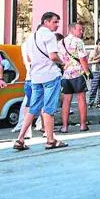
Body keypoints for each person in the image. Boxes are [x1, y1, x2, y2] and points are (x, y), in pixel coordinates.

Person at [14, 12, 67, 151]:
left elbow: (29, 58)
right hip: (49, 75)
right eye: (55, 22)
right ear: (46, 22)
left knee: (33, 108)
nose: (57, 25)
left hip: (35, 76)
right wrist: (62, 63)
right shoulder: (49, 36)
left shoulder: (31, 37)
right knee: (49, 108)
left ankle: (20, 138)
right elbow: (53, 56)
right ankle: (50, 140)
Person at [58, 22, 92, 133]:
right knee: (81, 99)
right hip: (78, 73)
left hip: (66, 74)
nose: (82, 32)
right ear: (73, 30)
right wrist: (87, 72)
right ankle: (82, 124)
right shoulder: (78, 42)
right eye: (80, 30)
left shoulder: (61, 42)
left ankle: (64, 126)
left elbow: (60, 58)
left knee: (66, 101)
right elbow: (83, 59)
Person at [88, 38, 100, 109]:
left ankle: (99, 103)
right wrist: (97, 61)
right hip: (95, 71)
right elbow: (89, 61)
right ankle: (90, 103)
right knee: (94, 87)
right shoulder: (93, 51)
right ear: (97, 45)